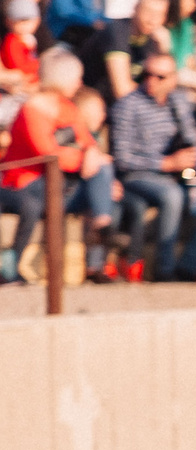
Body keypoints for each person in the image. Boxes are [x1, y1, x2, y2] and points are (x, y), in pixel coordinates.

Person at [111, 50, 196, 280]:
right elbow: (122, 158)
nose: (151, 81)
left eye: (160, 77)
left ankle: (190, 262)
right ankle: (165, 269)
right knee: (172, 196)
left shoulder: (179, 101)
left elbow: (194, 141)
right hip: (140, 175)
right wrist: (166, 163)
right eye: (147, 74)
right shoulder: (127, 106)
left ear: (172, 79)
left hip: (180, 172)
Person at [6, 46, 117, 285]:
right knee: (98, 171)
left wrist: (91, 153)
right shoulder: (32, 109)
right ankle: (9, 267)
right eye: (76, 77)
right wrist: (84, 157)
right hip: (26, 183)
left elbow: (88, 142)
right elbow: (47, 154)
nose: (79, 83)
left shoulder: (68, 108)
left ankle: (98, 254)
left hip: (59, 184)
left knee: (104, 175)